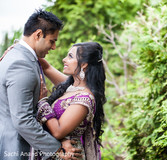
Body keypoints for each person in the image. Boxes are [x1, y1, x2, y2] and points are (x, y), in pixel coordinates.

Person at [0, 9, 81, 160]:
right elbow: (23, 120)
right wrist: (57, 149)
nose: (54, 47)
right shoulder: (21, 64)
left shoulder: (19, 56)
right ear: (38, 35)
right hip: (16, 149)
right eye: (52, 41)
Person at [37, 42, 106, 159]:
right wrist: (19, 48)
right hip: (55, 150)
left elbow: (58, 131)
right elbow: (46, 67)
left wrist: (42, 101)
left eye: (70, 56)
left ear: (84, 64)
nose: (64, 59)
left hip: (68, 154)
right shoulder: (70, 87)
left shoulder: (85, 99)